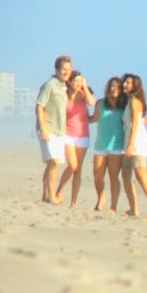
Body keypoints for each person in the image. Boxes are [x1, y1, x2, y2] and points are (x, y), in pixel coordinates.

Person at [121, 73, 147, 221]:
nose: (125, 84)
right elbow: (137, 122)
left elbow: (135, 126)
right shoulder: (129, 101)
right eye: (125, 82)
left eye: (128, 83)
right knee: (125, 175)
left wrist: (130, 145)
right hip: (129, 142)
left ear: (135, 86)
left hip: (137, 144)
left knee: (141, 176)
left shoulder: (134, 102)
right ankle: (133, 209)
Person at [55, 70, 96, 206]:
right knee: (72, 165)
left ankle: (73, 201)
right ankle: (59, 191)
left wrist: (84, 86)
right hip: (67, 134)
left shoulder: (84, 94)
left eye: (80, 80)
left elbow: (91, 102)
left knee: (78, 169)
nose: (78, 83)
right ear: (70, 82)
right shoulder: (64, 95)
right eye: (76, 81)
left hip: (82, 135)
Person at [36, 55, 72, 204]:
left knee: (52, 163)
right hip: (48, 129)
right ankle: (51, 196)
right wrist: (43, 128)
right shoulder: (50, 85)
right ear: (56, 70)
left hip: (60, 131)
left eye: (69, 69)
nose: (67, 72)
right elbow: (39, 106)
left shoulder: (64, 87)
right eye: (64, 69)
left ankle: (45, 195)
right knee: (55, 162)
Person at [89, 77, 127, 213]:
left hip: (116, 146)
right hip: (100, 144)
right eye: (112, 85)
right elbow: (94, 118)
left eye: (118, 86)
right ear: (108, 87)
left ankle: (113, 206)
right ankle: (101, 197)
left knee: (113, 177)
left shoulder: (124, 105)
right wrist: (78, 119)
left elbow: (132, 122)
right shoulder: (100, 103)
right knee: (97, 176)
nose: (115, 88)